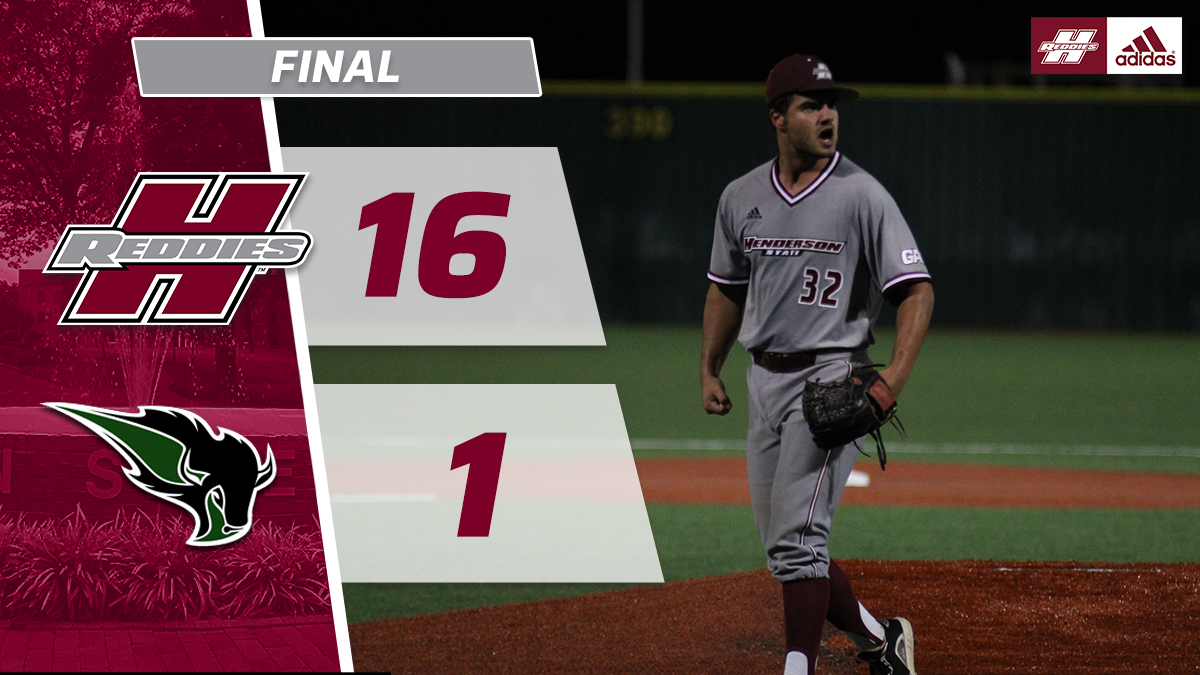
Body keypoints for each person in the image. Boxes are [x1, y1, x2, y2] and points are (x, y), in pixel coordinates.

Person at [700, 54, 934, 675]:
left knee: (798, 542)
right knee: (785, 549)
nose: (828, 115)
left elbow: (916, 290)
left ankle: (797, 666)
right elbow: (725, 287)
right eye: (812, 105)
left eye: (831, 104)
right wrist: (709, 367)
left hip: (831, 378)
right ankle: (881, 640)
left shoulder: (862, 194)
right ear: (778, 117)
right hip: (762, 380)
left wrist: (891, 381)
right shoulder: (741, 196)